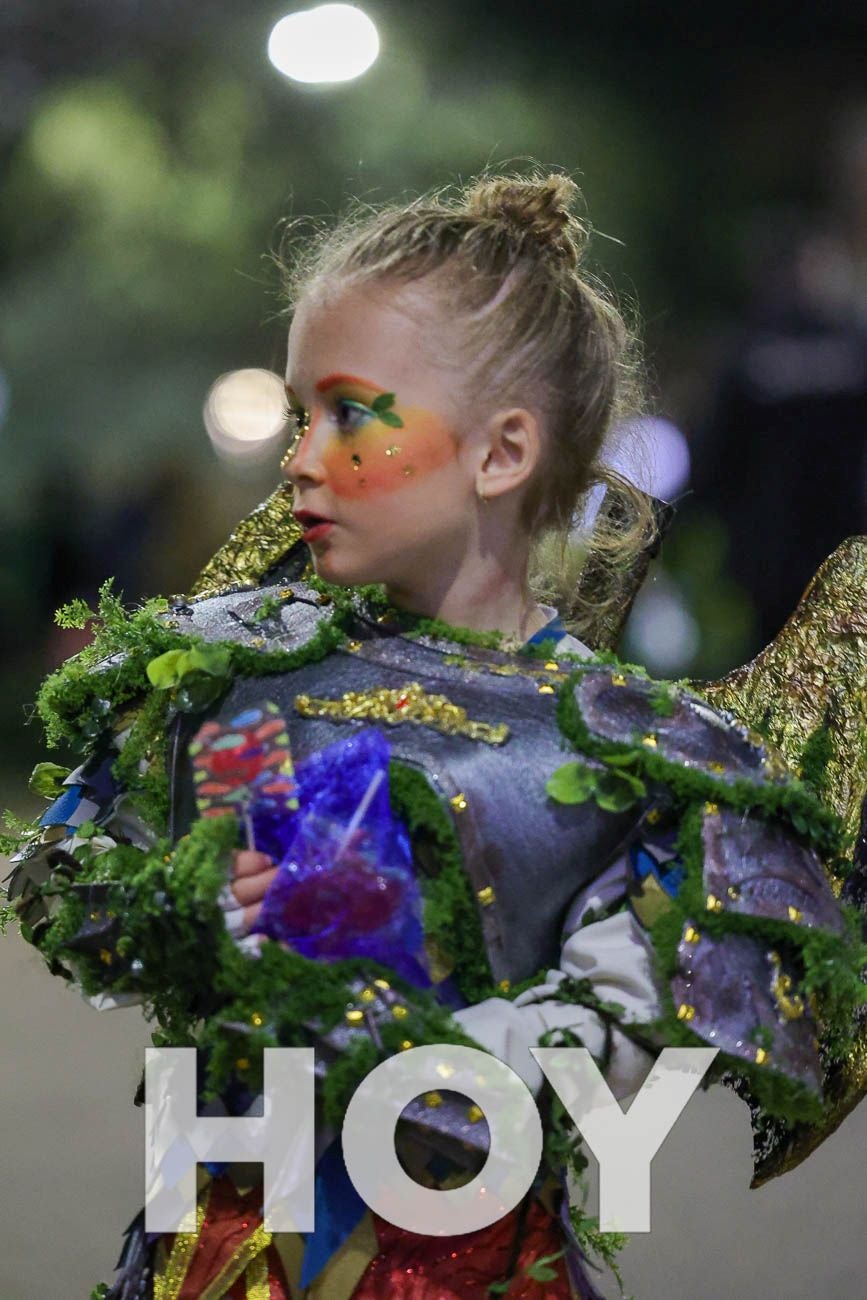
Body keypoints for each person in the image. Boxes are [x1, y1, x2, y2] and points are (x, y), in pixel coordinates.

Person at [5, 170, 866, 1300]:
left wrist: (416, 1036)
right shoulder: (221, 672)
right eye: (299, 413)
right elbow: (55, 882)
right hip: (203, 1259)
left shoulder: (636, 760)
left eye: (348, 414)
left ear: (500, 454)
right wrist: (180, 903)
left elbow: (610, 1083)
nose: (299, 457)